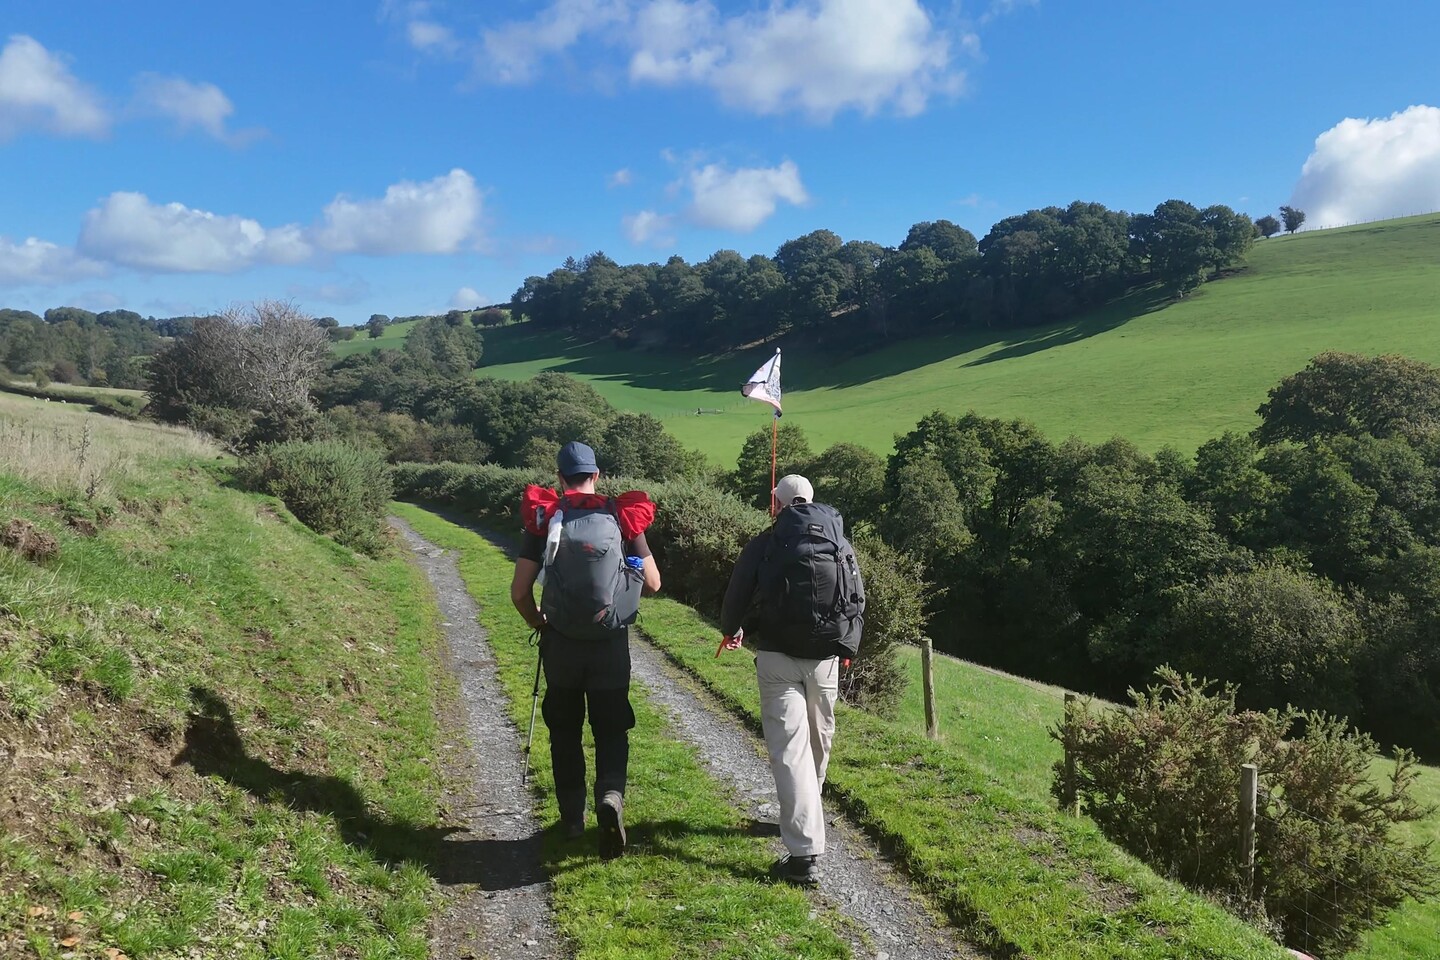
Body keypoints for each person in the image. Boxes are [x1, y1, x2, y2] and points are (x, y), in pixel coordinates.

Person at [510, 441, 662, 859]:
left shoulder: (544, 518)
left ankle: (572, 818)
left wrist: (539, 621)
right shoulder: (621, 515)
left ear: (559, 479)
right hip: (609, 644)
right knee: (611, 728)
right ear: (598, 476)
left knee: (564, 730)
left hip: (561, 645)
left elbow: (520, 591)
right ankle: (611, 796)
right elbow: (653, 583)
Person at [719, 474, 865, 887]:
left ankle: (803, 854)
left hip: (778, 657)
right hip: (826, 659)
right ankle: (806, 816)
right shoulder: (838, 539)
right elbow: (857, 594)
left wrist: (732, 628)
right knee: (819, 740)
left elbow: (738, 590)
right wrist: (848, 647)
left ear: (776, 503)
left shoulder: (767, 541)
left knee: (790, 749)